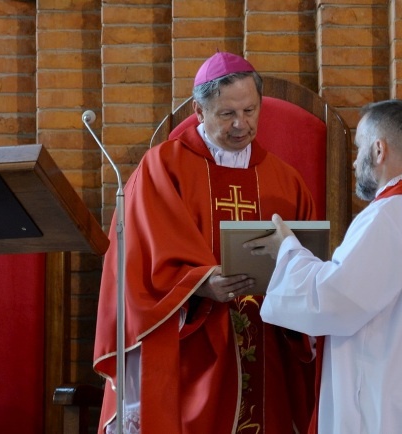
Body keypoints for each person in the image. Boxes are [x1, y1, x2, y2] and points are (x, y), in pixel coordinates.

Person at [93, 51, 317, 433]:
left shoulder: (286, 180)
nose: (241, 125)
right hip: (191, 349)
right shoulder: (161, 169)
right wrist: (199, 285)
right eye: (227, 114)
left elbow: (310, 260)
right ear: (198, 110)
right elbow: (136, 265)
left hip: (269, 348)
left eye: (250, 111)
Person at [245, 99, 402, 433]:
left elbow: (336, 300)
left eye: (358, 148)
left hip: (389, 410)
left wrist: (287, 250)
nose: (353, 163)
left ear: (378, 150)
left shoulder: (388, 216)